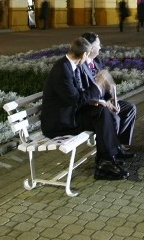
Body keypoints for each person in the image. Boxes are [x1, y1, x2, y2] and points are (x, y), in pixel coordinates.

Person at [40, 37, 129, 180]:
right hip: (59, 123)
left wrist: (97, 101)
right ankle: (106, 162)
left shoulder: (71, 65)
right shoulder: (62, 70)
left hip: (71, 114)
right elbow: (76, 99)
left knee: (102, 111)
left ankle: (106, 160)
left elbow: (79, 95)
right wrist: (98, 85)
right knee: (101, 115)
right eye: (87, 55)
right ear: (83, 55)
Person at [80, 32, 137, 149]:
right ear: (90, 47)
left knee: (130, 108)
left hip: (104, 101)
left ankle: (119, 145)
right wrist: (104, 103)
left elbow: (105, 86)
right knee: (113, 118)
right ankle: (109, 151)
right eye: (98, 44)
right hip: (93, 105)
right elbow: (84, 93)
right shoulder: (80, 66)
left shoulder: (97, 62)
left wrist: (110, 99)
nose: (100, 47)